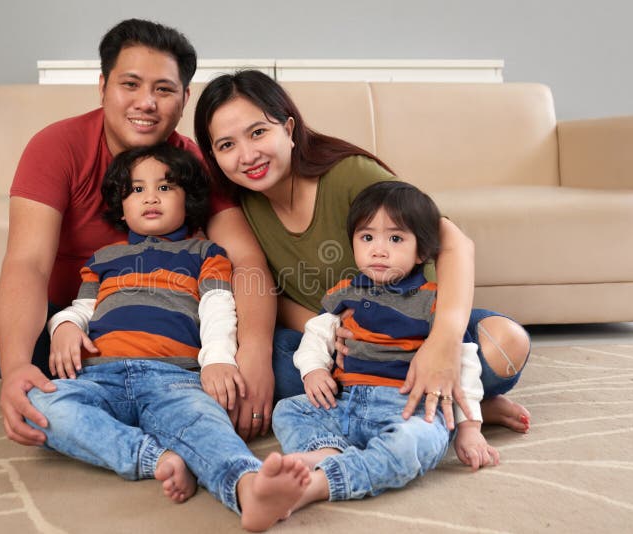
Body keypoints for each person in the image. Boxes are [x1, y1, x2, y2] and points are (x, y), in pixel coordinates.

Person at [0, 19, 276, 447]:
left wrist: (255, 355)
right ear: (102, 86)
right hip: (75, 331)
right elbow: (28, 263)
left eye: (164, 90)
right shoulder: (57, 146)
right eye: (130, 84)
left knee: (286, 358)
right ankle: (108, 391)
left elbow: (245, 261)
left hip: (177, 337)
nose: (146, 103)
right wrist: (18, 364)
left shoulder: (194, 164)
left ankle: (125, 397)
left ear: (185, 98)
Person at [194, 70, 531, 432]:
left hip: (414, 327)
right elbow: (269, 293)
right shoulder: (235, 210)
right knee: (262, 367)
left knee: (506, 342)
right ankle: (455, 404)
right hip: (344, 346)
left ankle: (424, 396)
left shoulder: (348, 174)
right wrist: (331, 331)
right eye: (226, 145)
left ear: (289, 130)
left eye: (258, 132)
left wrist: (443, 343)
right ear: (213, 156)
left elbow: (454, 243)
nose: (247, 155)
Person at [28, 142, 310, 532]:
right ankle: (155, 458)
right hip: (99, 375)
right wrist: (64, 327)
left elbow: (217, 306)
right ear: (120, 203)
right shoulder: (104, 259)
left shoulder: (204, 252)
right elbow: (83, 309)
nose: (150, 198)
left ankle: (248, 487)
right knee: (41, 405)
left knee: (204, 424)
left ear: (188, 199)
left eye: (165, 187)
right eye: (136, 189)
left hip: (174, 378)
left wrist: (216, 360)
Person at [272, 182, 499, 509]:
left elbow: (462, 365)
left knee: (413, 443)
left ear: (422, 251)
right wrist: (312, 371)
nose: (379, 250)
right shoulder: (346, 292)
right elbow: (317, 333)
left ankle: (324, 482)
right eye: (367, 238)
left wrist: (470, 427)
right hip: (345, 401)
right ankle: (326, 450)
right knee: (288, 410)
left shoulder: (432, 301)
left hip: (406, 408)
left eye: (395, 239)